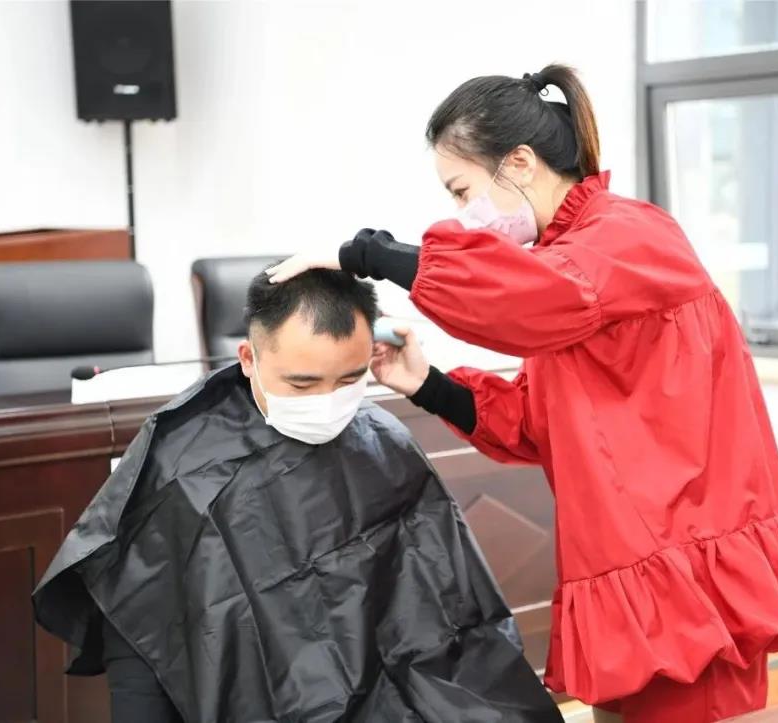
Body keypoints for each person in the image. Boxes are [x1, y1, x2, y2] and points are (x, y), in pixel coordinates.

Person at [267, 64, 778, 723]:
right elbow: (536, 423)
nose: (462, 215)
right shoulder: (566, 268)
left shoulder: (627, 239)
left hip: (688, 578)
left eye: (462, 191)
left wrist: (367, 255)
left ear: (519, 162)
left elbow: (515, 296)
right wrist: (426, 383)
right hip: (633, 578)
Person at [32, 269, 563, 723]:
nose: (327, 402)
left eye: (349, 379)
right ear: (248, 358)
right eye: (302, 385)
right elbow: (143, 622)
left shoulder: (383, 440)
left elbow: (453, 616)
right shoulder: (181, 473)